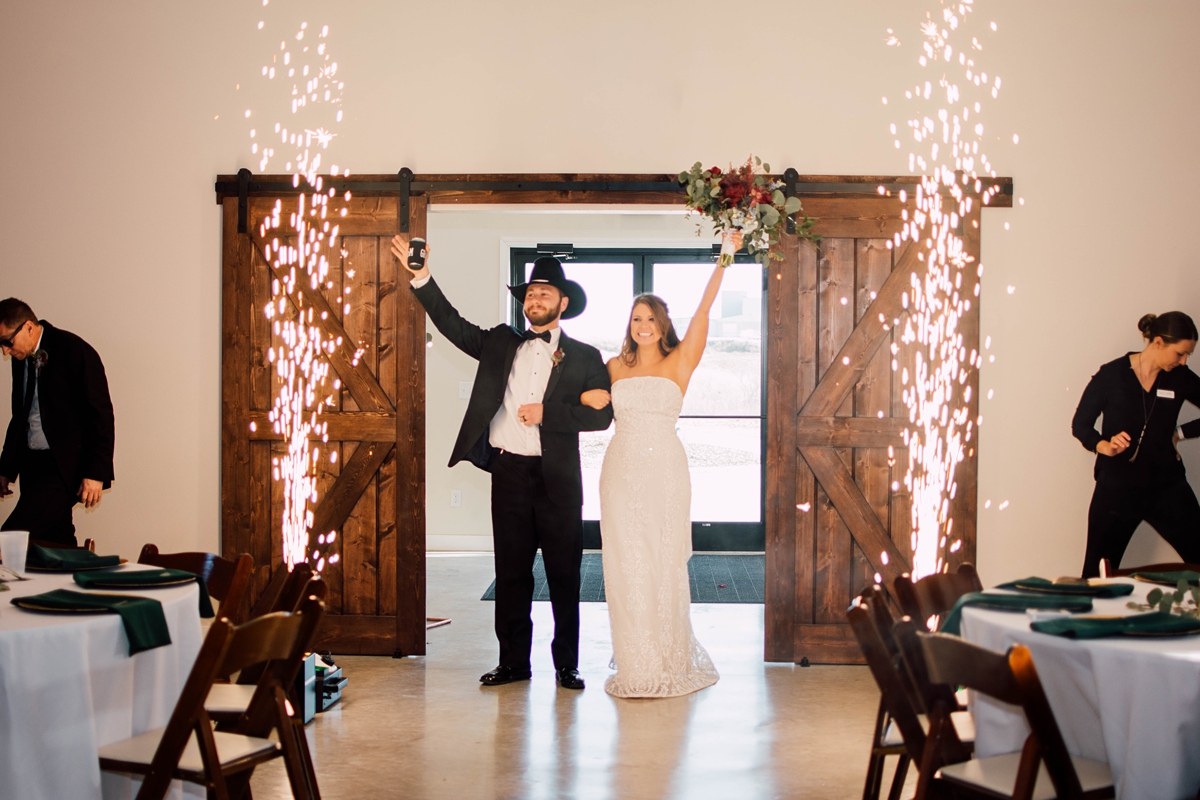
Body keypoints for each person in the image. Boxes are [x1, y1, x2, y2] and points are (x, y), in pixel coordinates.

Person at [391, 235, 613, 690]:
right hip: (509, 474)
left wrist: (550, 414)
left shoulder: (587, 357)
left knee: (564, 576)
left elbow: (603, 416)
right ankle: (513, 663)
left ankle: (566, 665)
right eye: (530, 293)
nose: (535, 298)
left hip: (558, 479)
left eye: (544, 292)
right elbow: (451, 324)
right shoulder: (498, 343)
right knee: (510, 575)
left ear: (563, 302)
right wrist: (421, 277)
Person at [581, 235, 740, 698]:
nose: (643, 325)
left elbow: (704, 313)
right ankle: (635, 658)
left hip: (666, 471)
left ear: (662, 323)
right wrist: (587, 397)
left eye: (650, 318)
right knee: (625, 561)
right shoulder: (613, 365)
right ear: (628, 324)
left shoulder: (681, 360)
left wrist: (725, 257)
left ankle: (668, 656)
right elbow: (587, 405)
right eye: (636, 318)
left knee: (663, 559)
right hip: (620, 468)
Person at [1072, 311, 1200, 578]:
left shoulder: (1180, 377)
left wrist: (1180, 432)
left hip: (1167, 488)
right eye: (1180, 353)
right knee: (1096, 577)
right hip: (1116, 490)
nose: (1184, 360)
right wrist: (1102, 445)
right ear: (1158, 343)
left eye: (1188, 354)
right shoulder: (1112, 375)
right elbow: (1080, 424)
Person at [0, 298, 115, 546]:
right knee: (54, 542)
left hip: (64, 469)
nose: (5, 351)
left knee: (9, 539)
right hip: (34, 466)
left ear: (28, 327)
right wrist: (5, 470)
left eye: (7, 342)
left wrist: (95, 472)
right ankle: (78, 581)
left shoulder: (74, 350)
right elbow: (20, 417)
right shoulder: (22, 360)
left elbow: (101, 415)